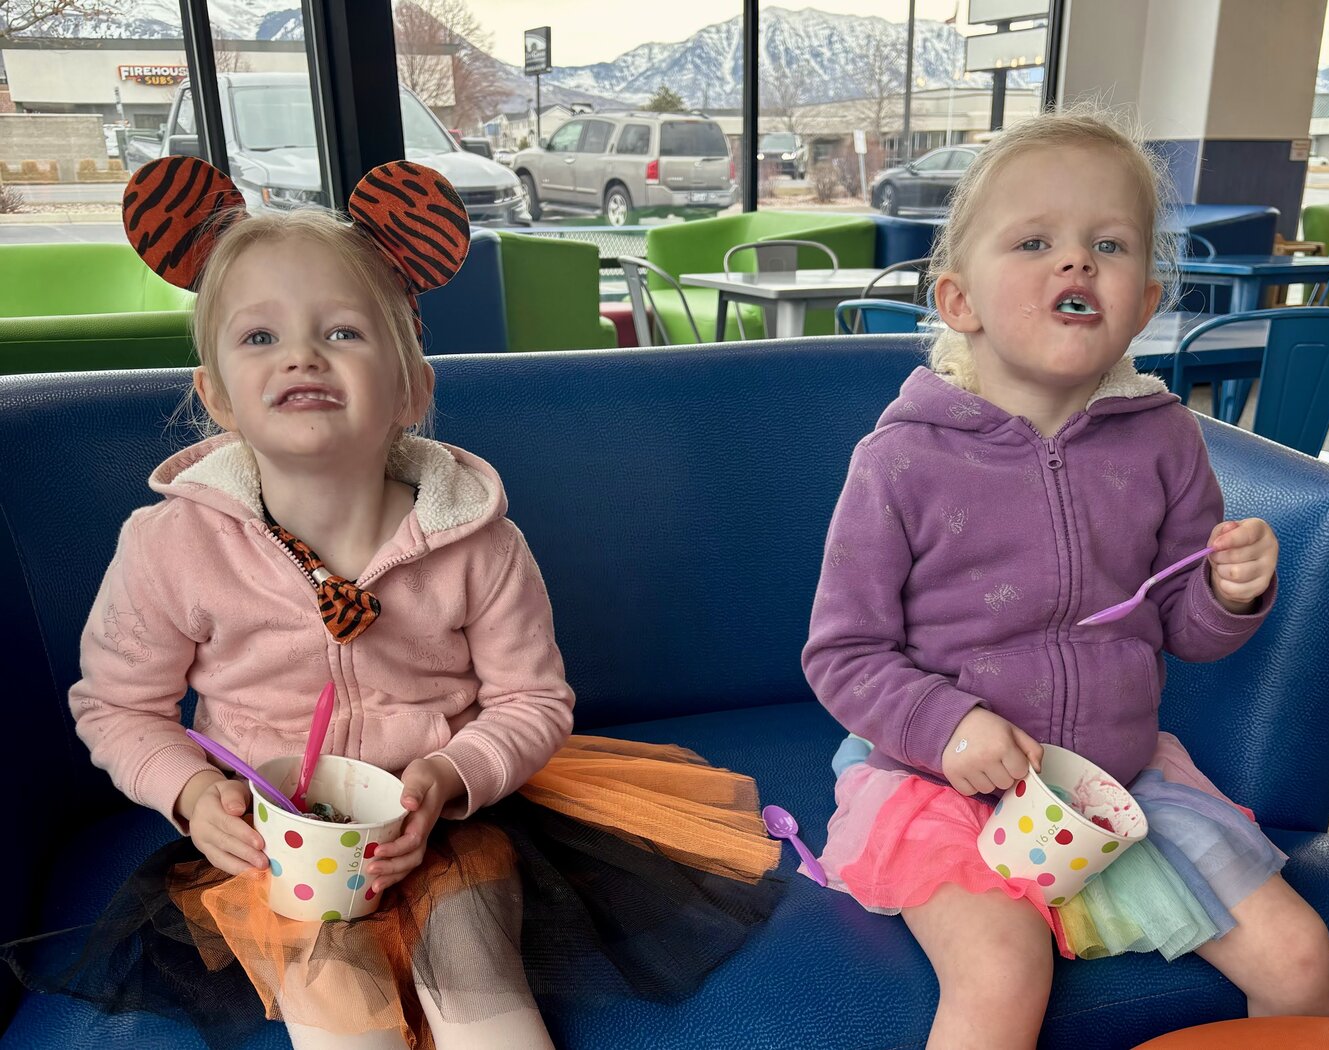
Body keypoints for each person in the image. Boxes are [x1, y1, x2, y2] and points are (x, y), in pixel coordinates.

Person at [4, 156, 780, 1050]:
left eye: (342, 332)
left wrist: (452, 777)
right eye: (259, 338)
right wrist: (190, 795)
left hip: (449, 825)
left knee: (488, 1007)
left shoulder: (480, 543)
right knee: (342, 1022)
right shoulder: (169, 547)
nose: (300, 354)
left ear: (411, 388)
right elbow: (116, 705)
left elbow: (534, 701)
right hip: (276, 840)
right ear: (214, 397)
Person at [802, 112, 1329, 1050]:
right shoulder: (900, 461)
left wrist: (1233, 592)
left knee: (1301, 958)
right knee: (1004, 973)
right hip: (940, 790)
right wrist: (947, 726)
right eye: (1035, 242)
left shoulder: (1166, 439)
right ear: (959, 299)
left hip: (1122, 784)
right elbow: (842, 655)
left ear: (1144, 304)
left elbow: (1187, 627)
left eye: (1109, 245)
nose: (1076, 265)